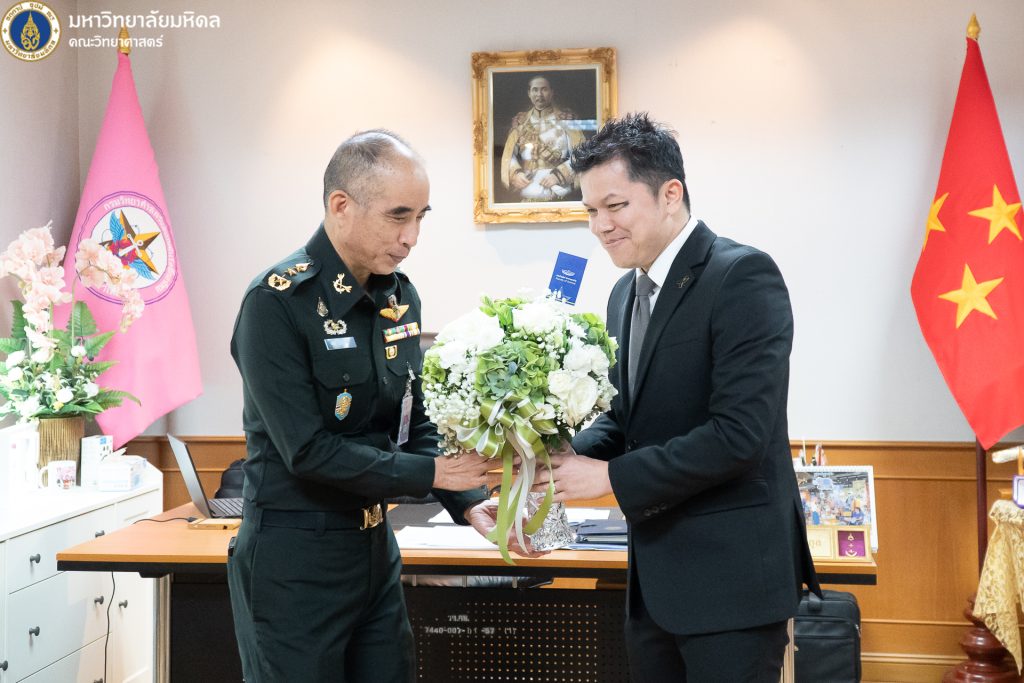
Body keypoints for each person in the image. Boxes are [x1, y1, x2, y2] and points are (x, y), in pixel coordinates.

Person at [533, 113, 820, 682]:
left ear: (670, 194)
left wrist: (609, 478)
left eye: (615, 206)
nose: (600, 226)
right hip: (654, 583)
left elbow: (738, 436)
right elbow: (626, 417)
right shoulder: (624, 293)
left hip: (733, 584)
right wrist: (558, 456)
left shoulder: (741, 275)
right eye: (590, 211)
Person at [227, 130, 493, 683]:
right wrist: (432, 473)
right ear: (341, 206)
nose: (412, 237)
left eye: (420, 217)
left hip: (374, 551)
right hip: (295, 561)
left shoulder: (398, 296)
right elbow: (307, 451)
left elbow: (413, 422)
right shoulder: (276, 302)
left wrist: (468, 502)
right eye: (398, 216)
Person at [499, 75, 586, 202]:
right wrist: (516, 174)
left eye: (544, 89)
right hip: (528, 193)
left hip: (560, 194)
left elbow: (580, 154)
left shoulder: (566, 121)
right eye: (535, 90)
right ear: (529, 93)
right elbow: (509, 156)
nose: (539, 94)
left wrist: (559, 176)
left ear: (552, 92)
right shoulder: (520, 122)